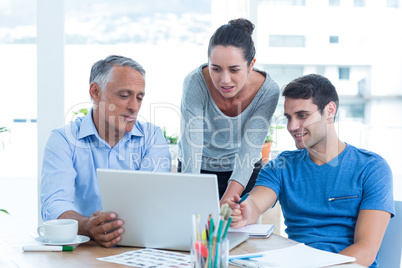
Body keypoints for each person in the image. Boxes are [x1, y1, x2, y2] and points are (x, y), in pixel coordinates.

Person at [226, 74, 394, 268]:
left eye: (302, 116)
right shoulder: (280, 166)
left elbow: (366, 250)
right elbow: (256, 202)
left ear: (329, 111)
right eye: (289, 117)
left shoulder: (372, 168)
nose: (292, 126)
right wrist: (245, 212)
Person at [40, 55, 171, 248]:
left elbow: (154, 203)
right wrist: (87, 226)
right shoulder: (63, 140)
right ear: (95, 92)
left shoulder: (152, 137)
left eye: (139, 97)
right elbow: (55, 203)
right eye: (124, 95)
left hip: (138, 249)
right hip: (82, 251)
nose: (134, 107)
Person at [178, 18, 280, 203]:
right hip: (198, 168)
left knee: (239, 229)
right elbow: (191, 146)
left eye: (234, 70)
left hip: (244, 171)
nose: (224, 79)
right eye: (215, 69)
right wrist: (189, 194)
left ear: (251, 65)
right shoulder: (195, 82)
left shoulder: (268, 91)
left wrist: (226, 202)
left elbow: (249, 150)